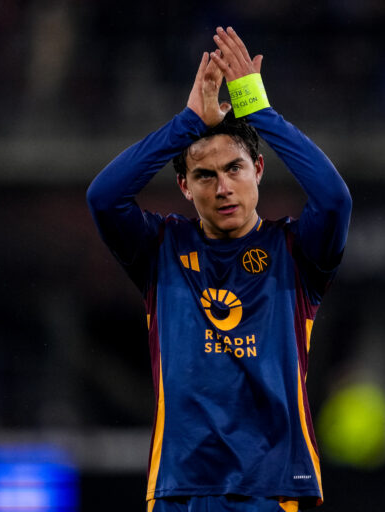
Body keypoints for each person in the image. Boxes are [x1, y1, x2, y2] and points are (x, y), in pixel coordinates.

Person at [86, 26, 351, 512]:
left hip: (273, 487)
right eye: (205, 176)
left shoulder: (296, 251)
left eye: (235, 169)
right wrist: (187, 122)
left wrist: (258, 110)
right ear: (185, 188)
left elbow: (334, 199)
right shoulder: (161, 248)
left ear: (259, 171)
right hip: (180, 488)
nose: (223, 187)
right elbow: (103, 197)